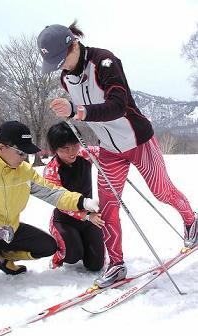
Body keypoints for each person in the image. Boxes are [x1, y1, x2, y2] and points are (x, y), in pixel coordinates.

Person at [37, 22, 198, 288]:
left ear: (74, 44)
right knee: (108, 207)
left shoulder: (105, 62)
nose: (61, 67)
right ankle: (116, 264)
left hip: (138, 140)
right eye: (55, 63)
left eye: (61, 59)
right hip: (110, 150)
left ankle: (191, 220)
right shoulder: (66, 78)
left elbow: (118, 105)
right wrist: (71, 112)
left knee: (161, 191)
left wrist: (78, 110)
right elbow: (85, 112)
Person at [0, 120, 102, 295]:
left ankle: (0, 257)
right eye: (21, 153)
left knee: (48, 246)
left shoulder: (24, 170)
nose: (24, 158)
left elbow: (52, 192)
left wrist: (82, 202)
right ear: (1, 148)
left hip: (8, 229)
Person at [43, 121, 105, 271]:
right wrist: (87, 216)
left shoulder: (84, 154)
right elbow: (60, 202)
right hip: (65, 220)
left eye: (75, 145)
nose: (72, 152)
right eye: (65, 148)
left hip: (89, 217)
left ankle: (83, 245)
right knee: (73, 255)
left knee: (95, 265)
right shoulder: (51, 171)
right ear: (54, 149)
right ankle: (60, 253)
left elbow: (106, 151)